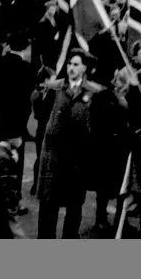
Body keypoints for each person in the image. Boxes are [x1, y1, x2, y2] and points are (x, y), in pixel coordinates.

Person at [35, 47, 102, 239]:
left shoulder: (93, 92)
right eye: (69, 64)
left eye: (76, 64)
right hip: (54, 156)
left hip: (77, 158)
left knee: (74, 206)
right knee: (49, 205)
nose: (71, 68)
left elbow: (97, 123)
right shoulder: (54, 87)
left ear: (85, 68)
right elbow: (40, 115)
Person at [0, 135, 26, 239]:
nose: (20, 140)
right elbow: (6, 186)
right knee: (7, 232)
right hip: (2, 205)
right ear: (10, 139)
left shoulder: (0, 154)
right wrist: (12, 206)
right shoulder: (4, 158)